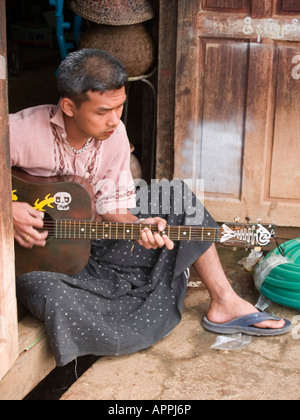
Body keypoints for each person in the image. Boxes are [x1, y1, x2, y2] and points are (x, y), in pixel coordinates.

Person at [10, 49, 291, 367]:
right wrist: (9, 209)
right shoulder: (19, 132)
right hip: (36, 259)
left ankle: (224, 302)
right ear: (69, 107)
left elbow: (112, 203)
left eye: (120, 107)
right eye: (103, 111)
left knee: (176, 196)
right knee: (49, 292)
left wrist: (135, 225)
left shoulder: (113, 134)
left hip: (89, 237)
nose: (114, 120)